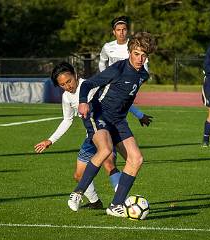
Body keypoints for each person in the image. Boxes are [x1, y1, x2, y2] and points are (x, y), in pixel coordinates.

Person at [68, 32, 157, 218]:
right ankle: (77, 193)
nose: (140, 59)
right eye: (137, 53)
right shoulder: (118, 69)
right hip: (98, 113)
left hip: (118, 120)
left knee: (136, 159)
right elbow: (88, 84)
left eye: (144, 55)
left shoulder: (143, 75)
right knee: (106, 149)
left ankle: (115, 205)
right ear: (130, 51)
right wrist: (83, 101)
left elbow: (126, 98)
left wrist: (139, 116)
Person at [34, 62, 117, 209]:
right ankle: (95, 202)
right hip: (91, 137)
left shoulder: (90, 85)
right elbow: (67, 120)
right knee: (79, 175)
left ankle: (121, 200)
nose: (68, 86)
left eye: (69, 81)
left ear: (76, 75)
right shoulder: (66, 97)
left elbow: (115, 100)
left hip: (106, 132)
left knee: (109, 164)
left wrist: (138, 114)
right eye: (62, 84)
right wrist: (50, 140)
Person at [99, 15, 153, 127]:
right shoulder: (107, 47)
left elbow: (145, 67)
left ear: (127, 30)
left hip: (128, 82)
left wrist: (138, 80)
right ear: (114, 32)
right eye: (118, 30)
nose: (121, 32)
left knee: (122, 104)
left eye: (124, 29)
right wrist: (105, 78)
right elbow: (102, 62)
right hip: (111, 84)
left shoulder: (135, 46)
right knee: (109, 110)